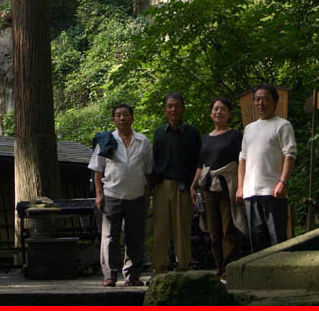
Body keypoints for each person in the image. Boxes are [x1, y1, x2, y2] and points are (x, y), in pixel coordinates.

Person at [88, 103, 153, 287]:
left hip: (136, 195)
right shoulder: (107, 140)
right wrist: (99, 194)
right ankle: (110, 275)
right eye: (118, 115)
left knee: (135, 236)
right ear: (113, 119)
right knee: (110, 237)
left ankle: (132, 275)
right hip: (111, 193)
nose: (122, 118)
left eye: (125, 114)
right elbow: (97, 170)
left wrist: (147, 194)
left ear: (132, 117)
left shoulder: (143, 141)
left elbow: (148, 170)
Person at [190, 97, 247, 281]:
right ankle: (220, 269)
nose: (218, 112)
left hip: (228, 186)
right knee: (214, 233)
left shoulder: (236, 136)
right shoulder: (206, 138)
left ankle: (229, 272)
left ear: (229, 114)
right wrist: (193, 186)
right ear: (211, 113)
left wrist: (241, 186)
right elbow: (201, 165)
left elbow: (242, 162)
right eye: (215, 109)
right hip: (209, 188)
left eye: (223, 109)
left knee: (229, 230)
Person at [236, 83, 297, 253]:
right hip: (251, 192)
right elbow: (242, 159)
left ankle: (281, 269)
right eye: (257, 99)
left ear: (275, 102)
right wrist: (240, 187)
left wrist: (283, 182)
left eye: (265, 99)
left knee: (278, 239)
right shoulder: (249, 128)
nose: (261, 103)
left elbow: (290, 155)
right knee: (257, 240)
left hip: (273, 191)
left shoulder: (283, 125)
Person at [151, 92, 201, 275]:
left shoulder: (192, 133)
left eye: (177, 105)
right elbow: (154, 160)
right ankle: (159, 268)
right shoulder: (159, 133)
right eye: (170, 106)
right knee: (161, 228)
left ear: (183, 108)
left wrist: (194, 186)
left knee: (182, 228)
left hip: (183, 186)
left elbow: (199, 161)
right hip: (161, 186)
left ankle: (183, 266)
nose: (174, 109)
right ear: (165, 110)